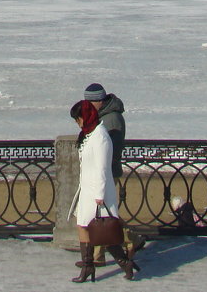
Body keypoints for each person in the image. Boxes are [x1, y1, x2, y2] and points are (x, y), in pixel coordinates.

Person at [68, 100, 137, 282]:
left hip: (98, 192)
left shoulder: (100, 137)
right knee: (84, 226)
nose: (78, 123)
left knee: (101, 231)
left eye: (79, 118)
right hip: (87, 190)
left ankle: (123, 262)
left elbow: (102, 168)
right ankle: (88, 266)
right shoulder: (89, 134)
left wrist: (99, 195)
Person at [82, 83, 146, 265]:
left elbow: (111, 150)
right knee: (101, 214)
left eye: (89, 102)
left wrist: (101, 170)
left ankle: (131, 238)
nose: (86, 105)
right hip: (103, 172)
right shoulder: (103, 117)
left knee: (103, 215)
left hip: (107, 172)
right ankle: (98, 256)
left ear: (98, 101)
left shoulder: (112, 119)